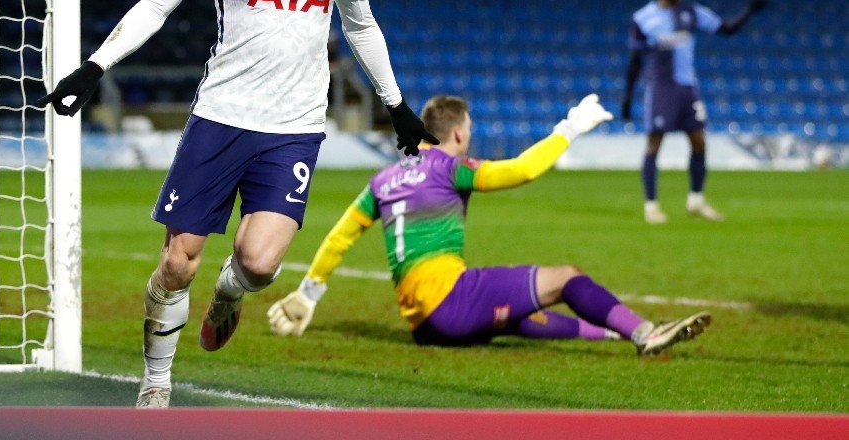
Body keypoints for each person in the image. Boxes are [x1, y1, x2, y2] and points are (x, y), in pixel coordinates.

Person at [37, 0, 438, 408]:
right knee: (178, 263)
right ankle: (156, 383)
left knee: (259, 265)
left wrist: (397, 105)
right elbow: (157, 3)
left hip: (294, 128)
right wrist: (98, 64)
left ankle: (229, 296)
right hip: (222, 118)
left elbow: (363, 27)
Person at [268, 94, 711, 354]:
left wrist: (309, 292)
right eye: (470, 128)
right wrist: (568, 129)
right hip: (452, 302)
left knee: (518, 316)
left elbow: (342, 234)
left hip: (424, 326)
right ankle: (644, 333)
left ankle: (611, 331)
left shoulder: (383, 179)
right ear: (458, 133)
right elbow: (520, 171)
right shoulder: (449, 168)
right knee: (567, 278)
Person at [622, 0, 768, 224]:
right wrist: (628, 96)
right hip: (661, 88)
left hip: (689, 89)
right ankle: (651, 205)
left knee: (699, 141)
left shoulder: (692, 13)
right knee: (655, 143)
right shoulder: (644, 17)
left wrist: (748, 11)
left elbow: (726, 29)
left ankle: (696, 201)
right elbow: (635, 57)